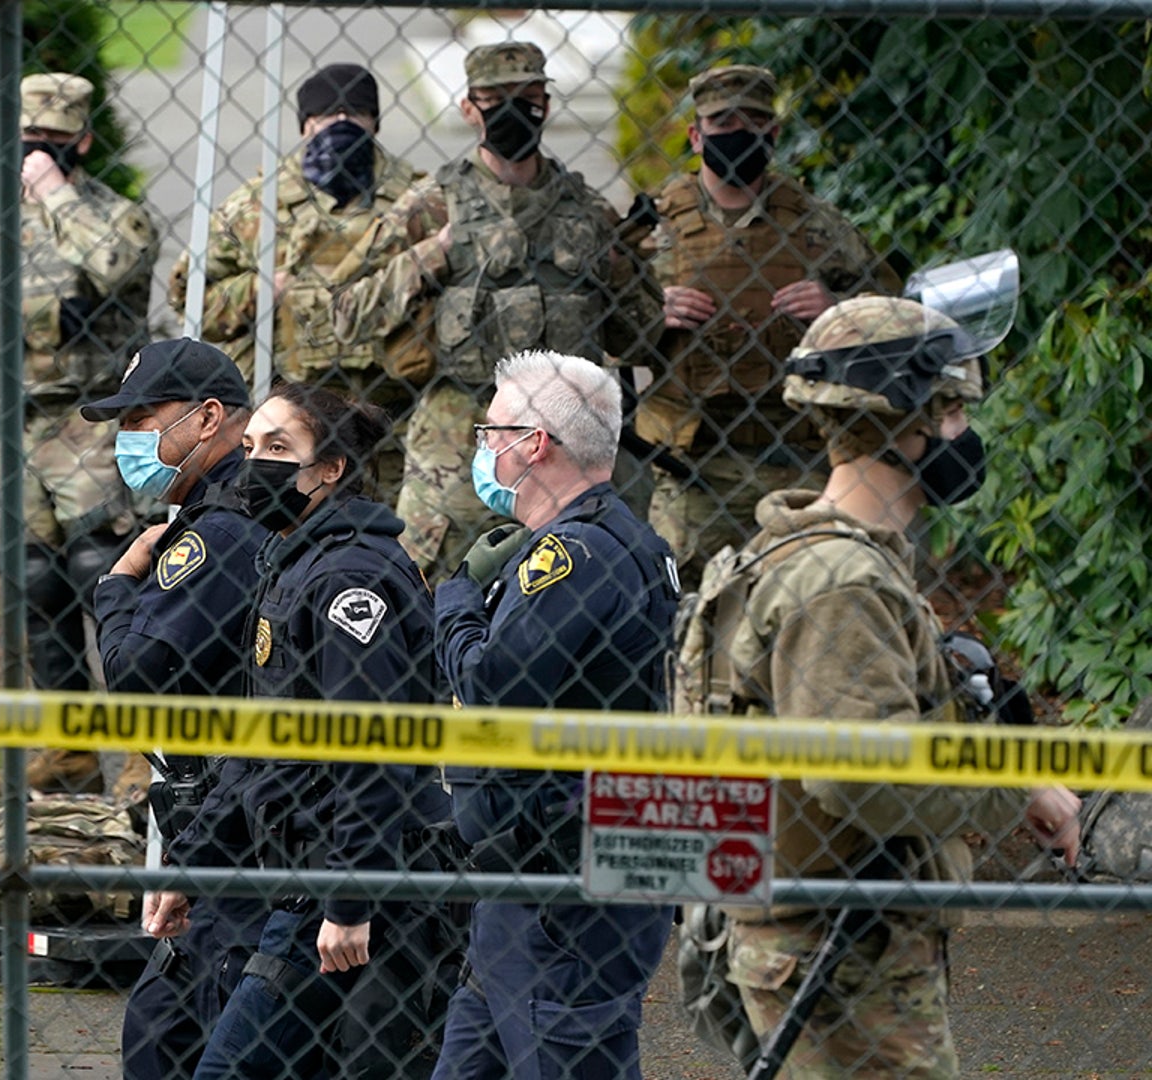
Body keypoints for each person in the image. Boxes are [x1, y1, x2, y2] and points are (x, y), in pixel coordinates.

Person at [685, 296, 1081, 1076]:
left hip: (831, 942)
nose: (965, 436)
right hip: (842, 960)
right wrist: (1007, 786)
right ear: (910, 422)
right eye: (955, 415)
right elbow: (866, 775)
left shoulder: (823, 557)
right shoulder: (842, 584)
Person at [176, 382, 451, 1080]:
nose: (254, 464)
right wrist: (187, 866)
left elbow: (370, 751)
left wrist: (348, 902)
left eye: (278, 448)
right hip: (307, 870)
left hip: (358, 884)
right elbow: (261, 745)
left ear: (328, 470)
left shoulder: (349, 579)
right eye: (247, 448)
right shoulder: (292, 560)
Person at [430, 350, 680, 1078]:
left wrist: (455, 604)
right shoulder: (611, 539)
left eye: (490, 432)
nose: (481, 449)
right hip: (526, 885)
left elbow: (491, 685)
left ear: (532, 444)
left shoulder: (577, 555)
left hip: (561, 900)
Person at [333, 41, 661, 579]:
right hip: (456, 443)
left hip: (565, 447)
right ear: (468, 108)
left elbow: (644, 336)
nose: (515, 110)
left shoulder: (587, 212)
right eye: (496, 98)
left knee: (567, 592)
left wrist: (616, 264)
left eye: (529, 97)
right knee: (431, 598)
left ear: (547, 105)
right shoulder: (432, 204)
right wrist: (430, 254)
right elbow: (344, 310)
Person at [0, 72, 162, 796]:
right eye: (27, 140)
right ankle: (67, 748)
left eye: (55, 142)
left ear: (83, 142)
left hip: (88, 421)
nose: (37, 153)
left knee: (109, 577)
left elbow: (120, 266)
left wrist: (56, 193)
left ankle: (139, 750)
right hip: (7, 432)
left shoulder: (112, 218)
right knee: (31, 588)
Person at [78, 337, 273, 1079]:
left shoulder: (217, 531)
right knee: (163, 1027)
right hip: (219, 815)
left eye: (143, 417)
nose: (127, 438)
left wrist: (117, 589)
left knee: (176, 1035)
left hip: (236, 820)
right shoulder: (218, 513)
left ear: (207, 418)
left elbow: (138, 674)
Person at [639, 63, 900, 587]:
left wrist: (837, 304)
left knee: (804, 602)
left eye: (753, 122)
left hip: (797, 459)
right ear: (696, 136)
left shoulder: (813, 223)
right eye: (723, 123)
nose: (739, 135)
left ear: (774, 134)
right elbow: (596, 330)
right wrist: (649, 311)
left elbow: (892, 310)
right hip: (695, 470)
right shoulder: (654, 227)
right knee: (685, 613)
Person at [167, 62, 430, 498]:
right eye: (329, 116)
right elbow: (189, 296)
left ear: (375, 121)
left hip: (389, 414)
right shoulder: (258, 203)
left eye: (356, 115)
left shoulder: (414, 198)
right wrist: (257, 289)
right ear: (307, 125)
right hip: (288, 421)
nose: (342, 125)